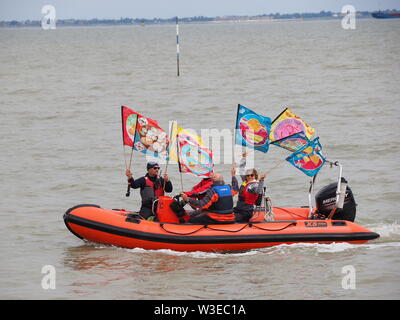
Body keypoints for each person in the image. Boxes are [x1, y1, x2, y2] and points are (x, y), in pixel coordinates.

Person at [231, 153, 266, 222]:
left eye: (252, 175)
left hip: (245, 212)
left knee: (229, 220)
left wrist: (261, 180)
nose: (250, 176)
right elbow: (241, 169)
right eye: (248, 175)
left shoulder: (255, 185)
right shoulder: (246, 181)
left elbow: (258, 191)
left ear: (255, 175)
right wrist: (244, 158)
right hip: (238, 209)